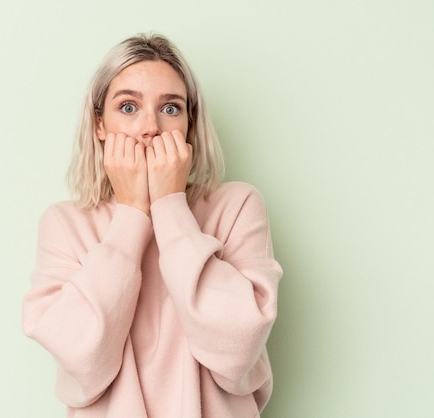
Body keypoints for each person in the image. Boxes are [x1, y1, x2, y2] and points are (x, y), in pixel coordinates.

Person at [22, 33, 282, 418]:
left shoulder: (237, 205)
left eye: (171, 109)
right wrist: (131, 214)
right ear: (100, 125)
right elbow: (83, 364)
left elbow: (236, 351)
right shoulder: (65, 222)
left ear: (190, 126)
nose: (150, 128)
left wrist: (170, 205)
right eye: (128, 107)